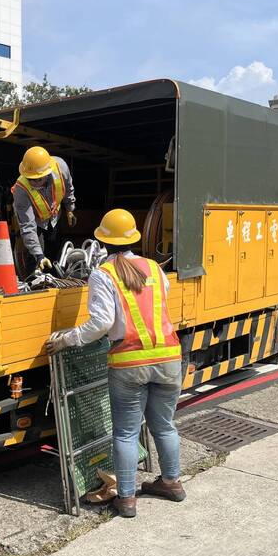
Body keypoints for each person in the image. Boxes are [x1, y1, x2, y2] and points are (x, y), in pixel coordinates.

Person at [45, 209, 184, 518]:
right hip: (169, 358)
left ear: (102, 239)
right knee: (164, 425)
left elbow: (101, 323)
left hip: (129, 363)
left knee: (124, 433)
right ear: (134, 236)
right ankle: (172, 482)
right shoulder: (155, 269)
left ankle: (126, 498)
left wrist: (67, 338)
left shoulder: (103, 274)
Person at [11, 146, 76, 274]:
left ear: (47, 173)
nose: (34, 183)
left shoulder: (61, 168)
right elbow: (28, 226)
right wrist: (39, 255)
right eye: (30, 179)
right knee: (36, 260)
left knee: (56, 255)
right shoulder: (21, 190)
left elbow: (68, 189)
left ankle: (57, 283)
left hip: (55, 218)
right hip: (36, 223)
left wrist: (70, 209)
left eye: (38, 179)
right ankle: (34, 284)